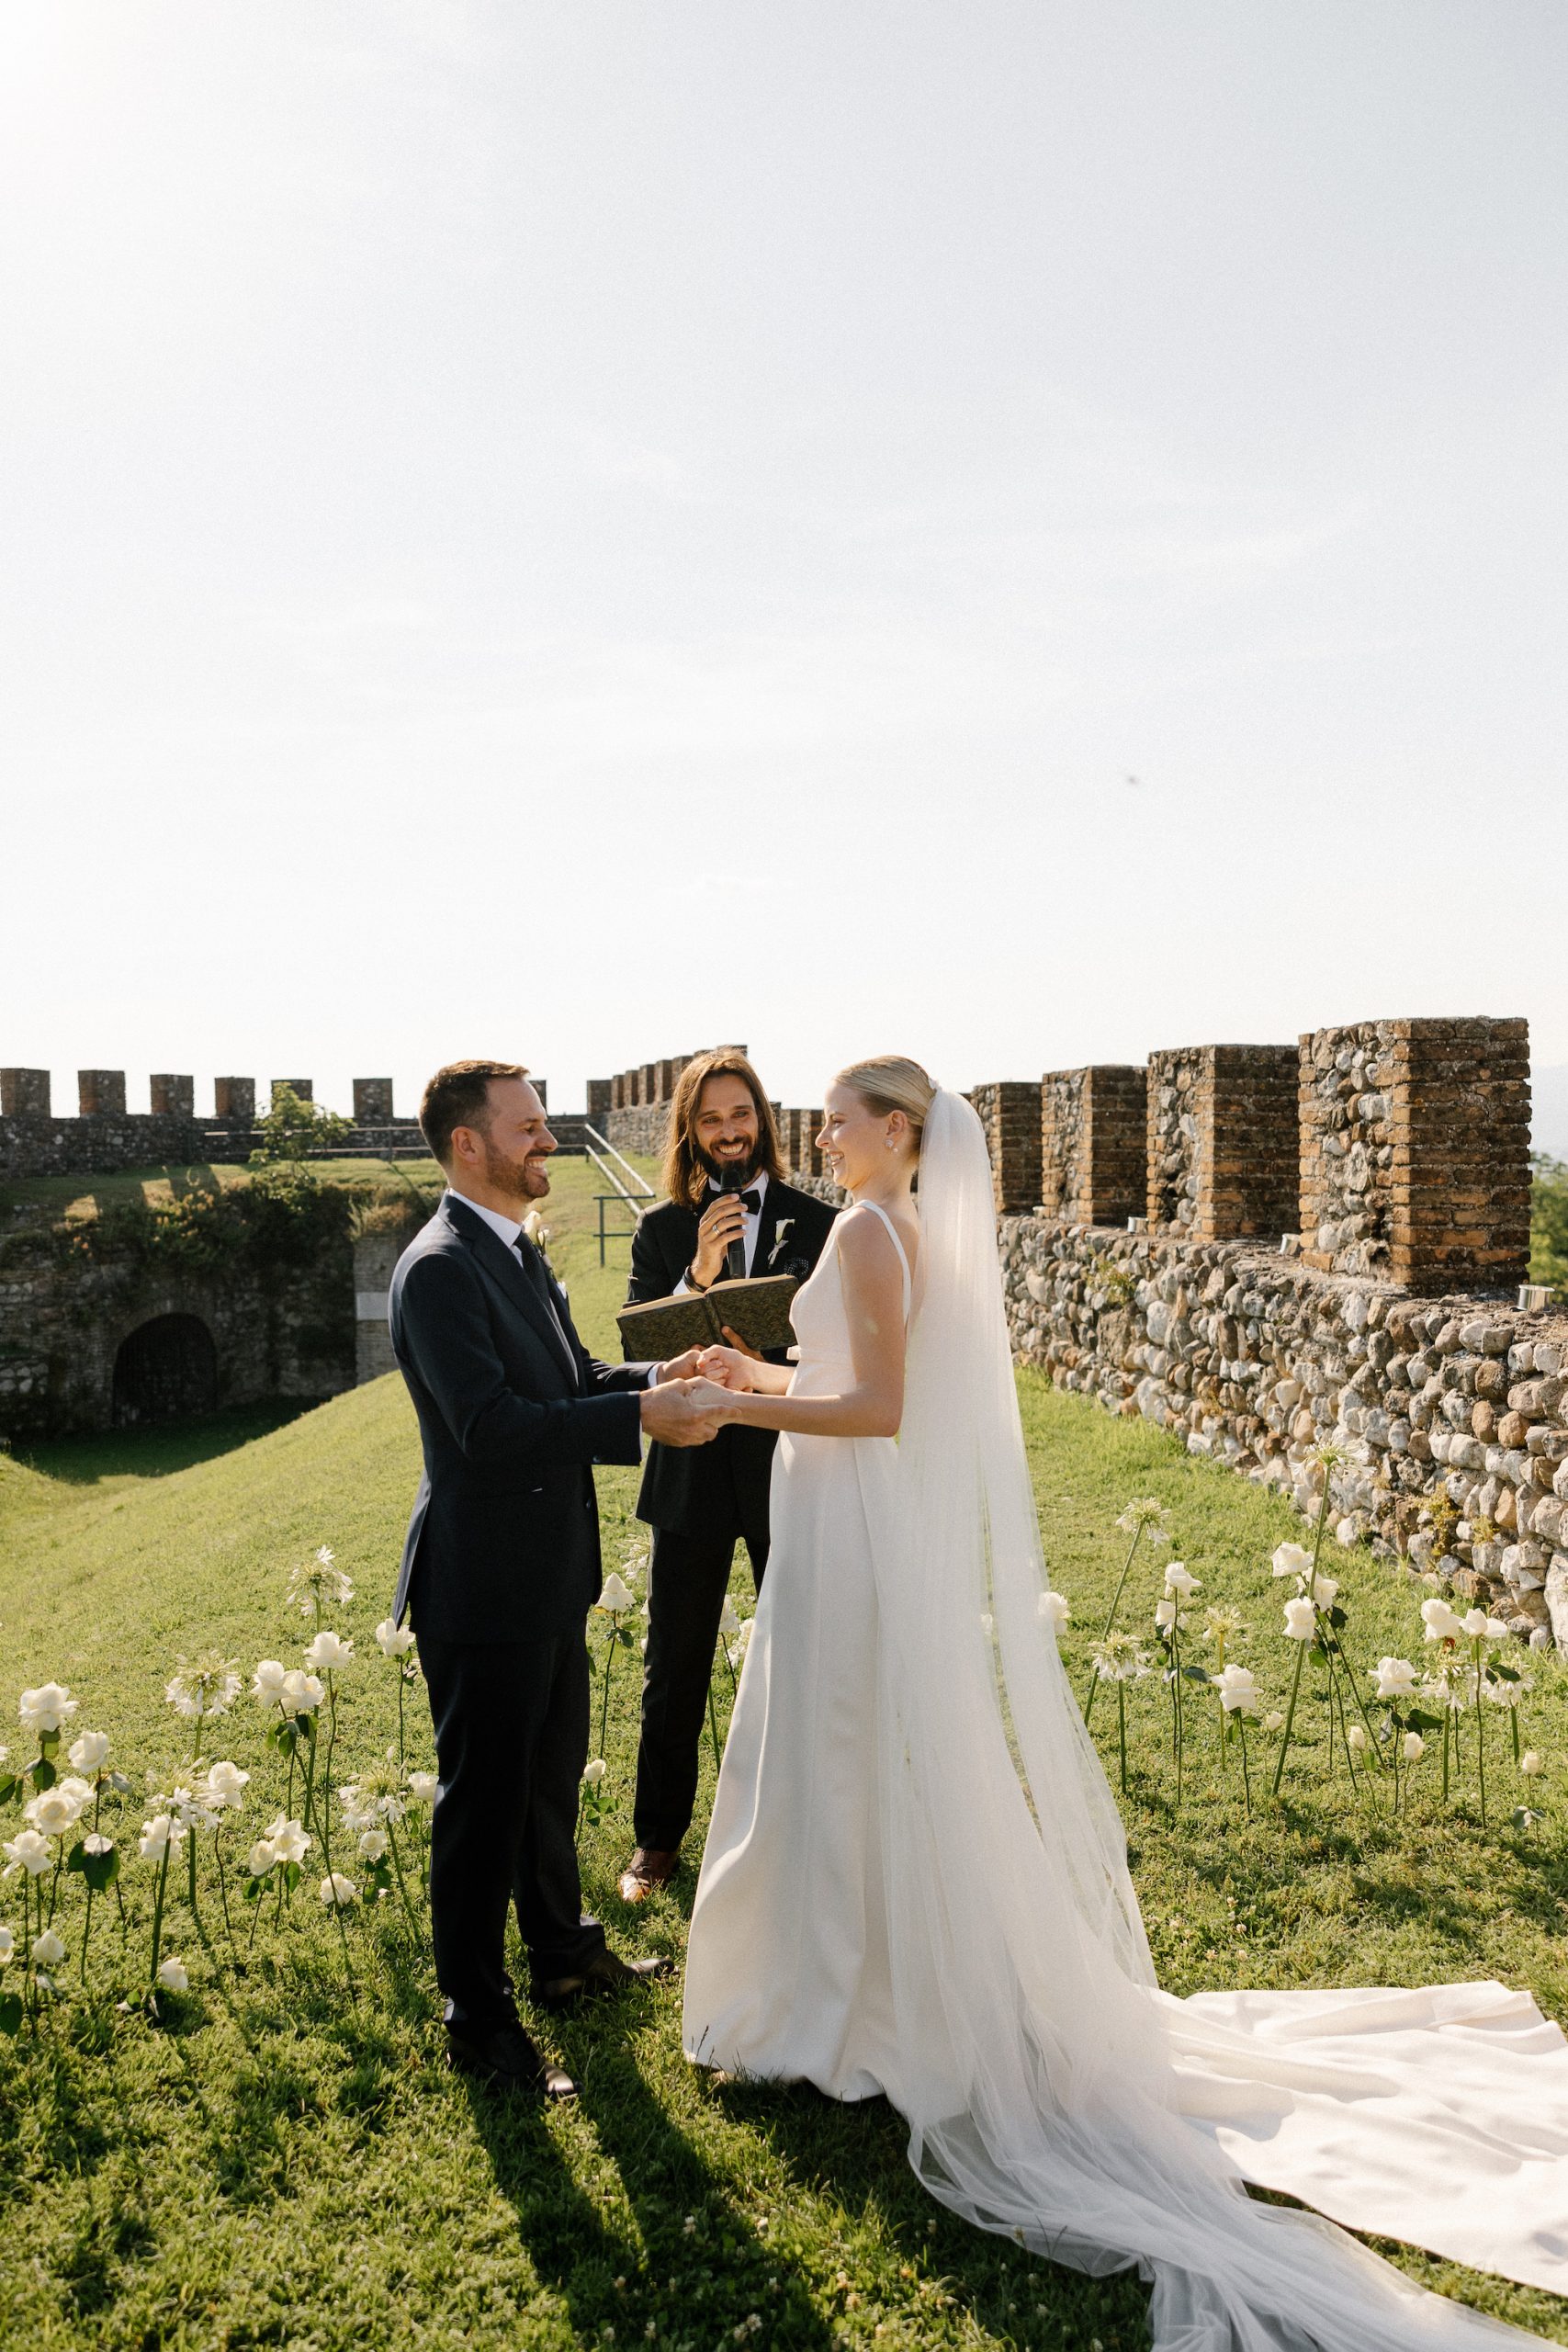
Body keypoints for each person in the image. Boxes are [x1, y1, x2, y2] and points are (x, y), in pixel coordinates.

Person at [679, 1057, 1568, 2352]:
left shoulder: (871, 1229)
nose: (817, 1130)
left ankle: (838, 2004)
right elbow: (835, 1380)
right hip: (838, 1520)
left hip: (845, 1522)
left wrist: (724, 1403)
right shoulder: (894, 1223)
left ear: (893, 1131)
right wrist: (751, 1373)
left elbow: (875, 1406)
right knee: (849, 1752)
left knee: (837, 1750)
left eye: (838, 1114)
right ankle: (847, 1987)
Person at [388, 1058, 723, 2098]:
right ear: (467, 1146)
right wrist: (638, 1421)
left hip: (545, 1578)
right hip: (483, 1587)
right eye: (528, 1128)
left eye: (545, 1124)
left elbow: (570, 1378)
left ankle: (565, 1954)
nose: (549, 1141)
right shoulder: (440, 1267)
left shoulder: (517, 1252)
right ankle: (478, 2021)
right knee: (480, 1807)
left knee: (544, 1788)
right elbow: (487, 1431)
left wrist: (654, 1378)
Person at [616, 1049, 837, 1904]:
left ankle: (804, 1825)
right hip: (693, 1468)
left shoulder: (815, 1221)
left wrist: (768, 1357)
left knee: (804, 1650)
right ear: (689, 1132)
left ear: (763, 1121)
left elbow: (836, 1345)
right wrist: (696, 1280)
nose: (728, 1132)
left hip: (788, 1457)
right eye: (709, 1120)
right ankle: (656, 1842)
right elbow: (636, 1351)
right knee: (676, 1660)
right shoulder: (659, 1229)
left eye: (739, 1114)